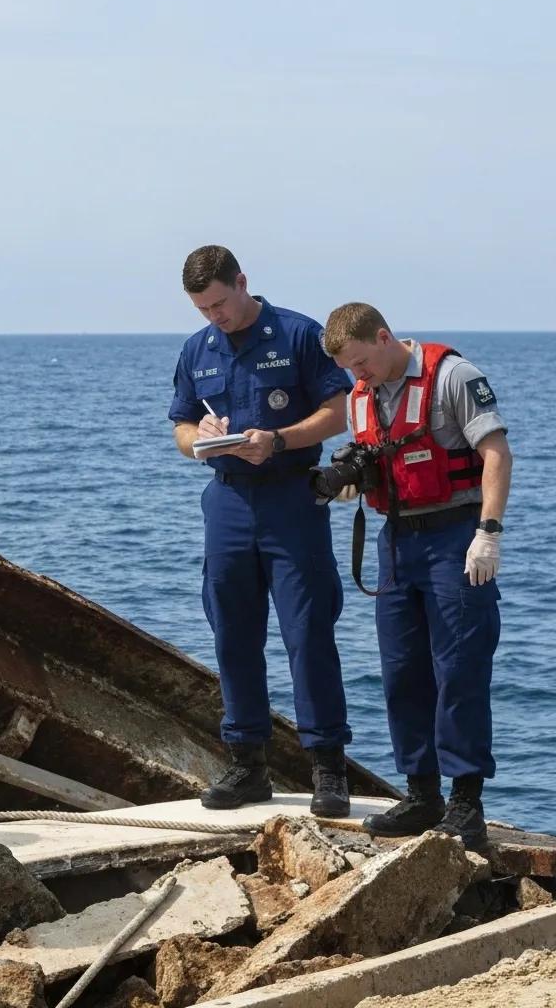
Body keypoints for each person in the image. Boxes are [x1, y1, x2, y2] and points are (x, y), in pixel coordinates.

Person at [169, 245, 354, 817]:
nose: (215, 317)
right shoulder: (197, 349)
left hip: (290, 496)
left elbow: (338, 412)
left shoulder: (299, 334)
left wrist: (278, 440)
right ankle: (248, 764)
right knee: (231, 630)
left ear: (242, 282)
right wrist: (201, 439)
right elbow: (180, 426)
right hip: (227, 499)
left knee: (308, 630)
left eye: (220, 304)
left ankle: (328, 767)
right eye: (203, 309)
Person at [323, 302, 511, 850]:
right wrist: (353, 481)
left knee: (459, 669)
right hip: (397, 541)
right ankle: (422, 793)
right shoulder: (363, 394)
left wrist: (489, 533)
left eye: (361, 362)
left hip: (456, 537)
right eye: (348, 369)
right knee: (402, 671)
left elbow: (497, 454)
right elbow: (376, 457)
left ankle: (466, 803)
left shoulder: (453, 376)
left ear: (384, 337)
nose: (357, 375)